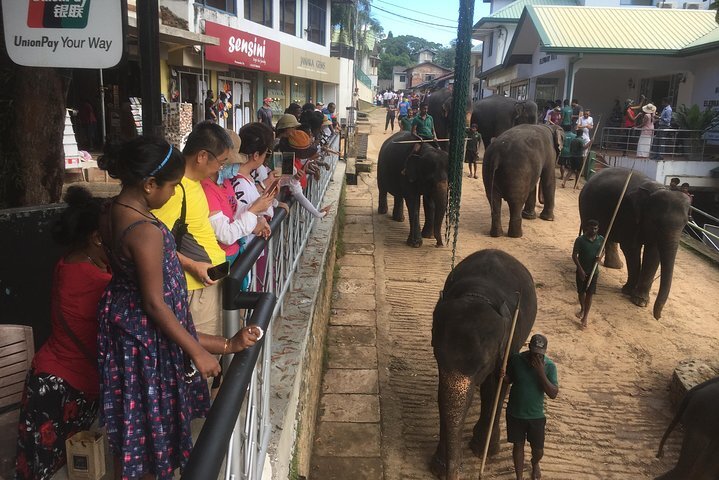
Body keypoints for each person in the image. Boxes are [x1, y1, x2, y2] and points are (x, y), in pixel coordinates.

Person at [96, 136, 261, 479]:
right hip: (145, 338)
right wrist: (198, 353)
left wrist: (227, 345)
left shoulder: (110, 211)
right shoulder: (145, 232)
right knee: (151, 418)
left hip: (127, 323)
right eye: (171, 187)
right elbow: (155, 306)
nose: (173, 194)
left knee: (134, 417)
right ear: (149, 184)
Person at [15, 187, 111, 480]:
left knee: (44, 469)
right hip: (64, 389)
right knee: (62, 471)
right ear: (96, 237)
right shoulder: (98, 280)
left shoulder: (69, 262)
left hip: (51, 382)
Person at [153, 122, 232, 337]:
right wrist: (193, 265)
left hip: (209, 280)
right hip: (195, 289)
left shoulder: (195, 183)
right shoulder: (175, 190)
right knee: (203, 355)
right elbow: (153, 242)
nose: (220, 169)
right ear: (202, 156)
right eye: (221, 162)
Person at [201, 128, 273, 264]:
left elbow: (235, 207)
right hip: (220, 260)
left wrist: (257, 216)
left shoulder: (225, 182)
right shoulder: (207, 188)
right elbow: (225, 234)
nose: (237, 166)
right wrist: (253, 212)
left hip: (234, 253)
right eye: (228, 163)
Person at [504, 333, 559, 480]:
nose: (537, 357)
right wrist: (504, 377)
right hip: (515, 413)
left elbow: (553, 393)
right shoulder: (516, 359)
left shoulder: (550, 367)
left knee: (538, 450)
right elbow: (510, 379)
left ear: (545, 352)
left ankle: (535, 463)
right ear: (529, 348)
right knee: (518, 445)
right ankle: (519, 477)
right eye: (534, 353)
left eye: (540, 355)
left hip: (536, 416)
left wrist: (541, 372)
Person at [572, 219, 604, 328]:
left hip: (594, 272)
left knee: (590, 294)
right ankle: (582, 308)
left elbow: (603, 250)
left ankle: (585, 317)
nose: (593, 230)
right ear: (587, 228)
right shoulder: (580, 240)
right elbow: (574, 255)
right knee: (581, 293)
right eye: (591, 228)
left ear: (598, 229)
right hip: (582, 271)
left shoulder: (601, 240)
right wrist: (580, 269)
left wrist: (600, 258)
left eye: (595, 228)